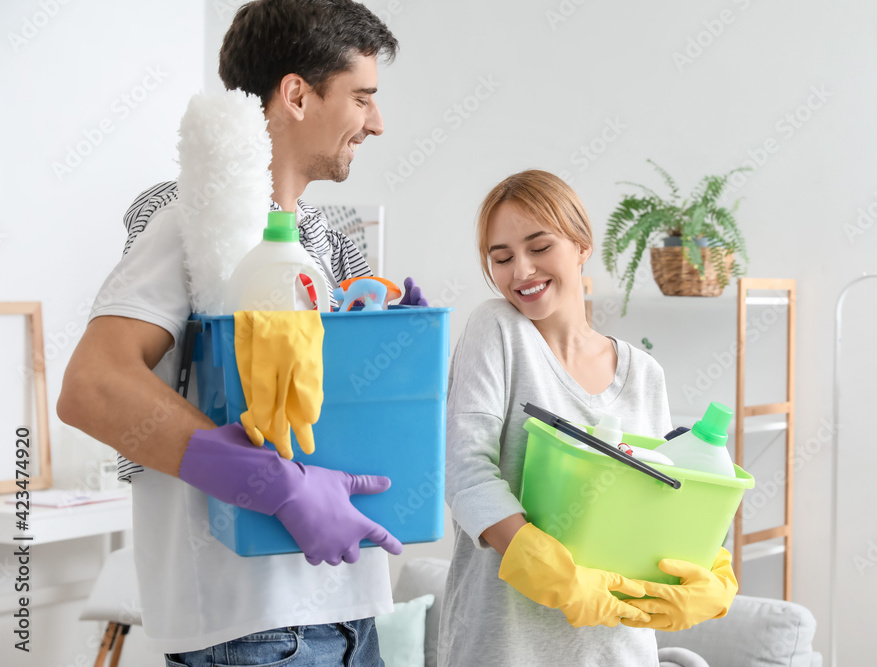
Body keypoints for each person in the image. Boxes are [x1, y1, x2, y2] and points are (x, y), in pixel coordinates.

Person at [58, 2, 408, 665]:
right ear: (297, 94)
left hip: (349, 612)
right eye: (362, 97)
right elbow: (92, 386)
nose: (378, 122)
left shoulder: (326, 242)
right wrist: (273, 482)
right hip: (253, 627)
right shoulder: (190, 222)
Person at [438, 170, 737, 666]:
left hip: (619, 649)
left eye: (539, 247)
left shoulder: (644, 374)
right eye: (502, 257)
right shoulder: (496, 331)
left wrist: (715, 571)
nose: (521, 272)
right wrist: (558, 576)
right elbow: (467, 474)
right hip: (505, 648)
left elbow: (668, 498)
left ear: (581, 245)